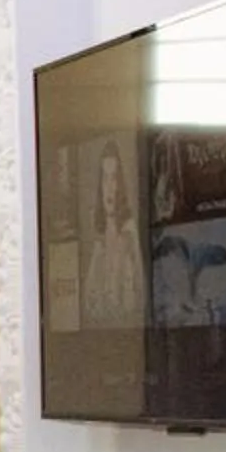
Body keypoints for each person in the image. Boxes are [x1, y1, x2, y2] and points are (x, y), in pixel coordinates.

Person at [83, 141, 144, 328]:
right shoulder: (99, 234)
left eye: (114, 178)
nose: (109, 186)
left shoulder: (128, 230)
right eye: (105, 178)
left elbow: (138, 292)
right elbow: (88, 300)